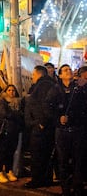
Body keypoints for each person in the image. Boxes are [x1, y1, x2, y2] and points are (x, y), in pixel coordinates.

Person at [54, 64, 86, 196]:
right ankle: (65, 188)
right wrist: (58, 118)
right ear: (60, 75)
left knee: (79, 159)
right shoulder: (55, 90)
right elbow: (49, 108)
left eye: (69, 69)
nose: (68, 71)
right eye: (65, 70)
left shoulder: (79, 87)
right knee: (63, 160)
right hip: (62, 131)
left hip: (78, 129)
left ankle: (77, 186)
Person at [24, 65, 58, 188]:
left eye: (33, 75)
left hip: (41, 127)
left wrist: (41, 123)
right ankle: (45, 178)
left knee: (38, 154)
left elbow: (45, 105)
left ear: (39, 74)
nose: (32, 77)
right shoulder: (48, 84)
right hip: (43, 125)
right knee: (44, 154)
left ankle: (37, 179)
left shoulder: (43, 85)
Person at [0, 84, 24, 183]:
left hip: (14, 130)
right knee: (1, 151)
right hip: (3, 129)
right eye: (9, 90)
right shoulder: (0, 101)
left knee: (10, 151)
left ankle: (8, 170)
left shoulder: (18, 102)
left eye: (13, 90)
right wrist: (17, 114)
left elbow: (21, 114)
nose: (11, 92)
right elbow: (6, 114)